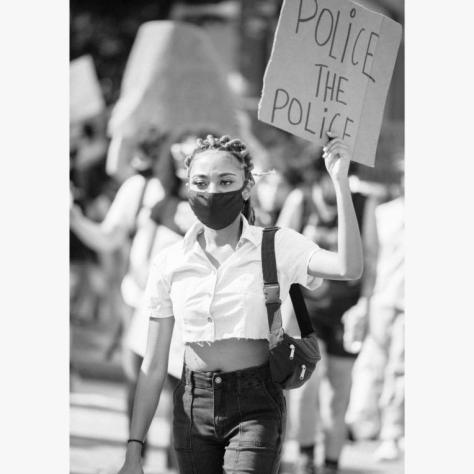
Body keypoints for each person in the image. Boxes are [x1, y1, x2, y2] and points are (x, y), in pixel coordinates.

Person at [117, 132, 363, 474]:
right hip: (192, 405)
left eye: (226, 180)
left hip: (256, 404)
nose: (212, 191)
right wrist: (134, 449)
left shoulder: (277, 245)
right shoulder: (169, 261)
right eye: (200, 181)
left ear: (246, 187)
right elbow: (153, 365)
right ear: (187, 187)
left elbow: (348, 267)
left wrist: (340, 181)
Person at [277, 159, 370, 474]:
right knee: (306, 385)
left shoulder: (360, 203)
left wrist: (366, 303)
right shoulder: (300, 200)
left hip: (346, 310)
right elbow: (277, 252)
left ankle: (331, 464)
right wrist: (280, 307)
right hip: (305, 308)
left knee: (339, 391)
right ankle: (305, 458)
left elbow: (371, 258)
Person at [343, 172, 404, 462]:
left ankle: (391, 433)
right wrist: (364, 301)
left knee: (399, 369)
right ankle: (361, 423)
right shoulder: (384, 214)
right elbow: (370, 256)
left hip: (406, 304)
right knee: (370, 363)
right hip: (381, 298)